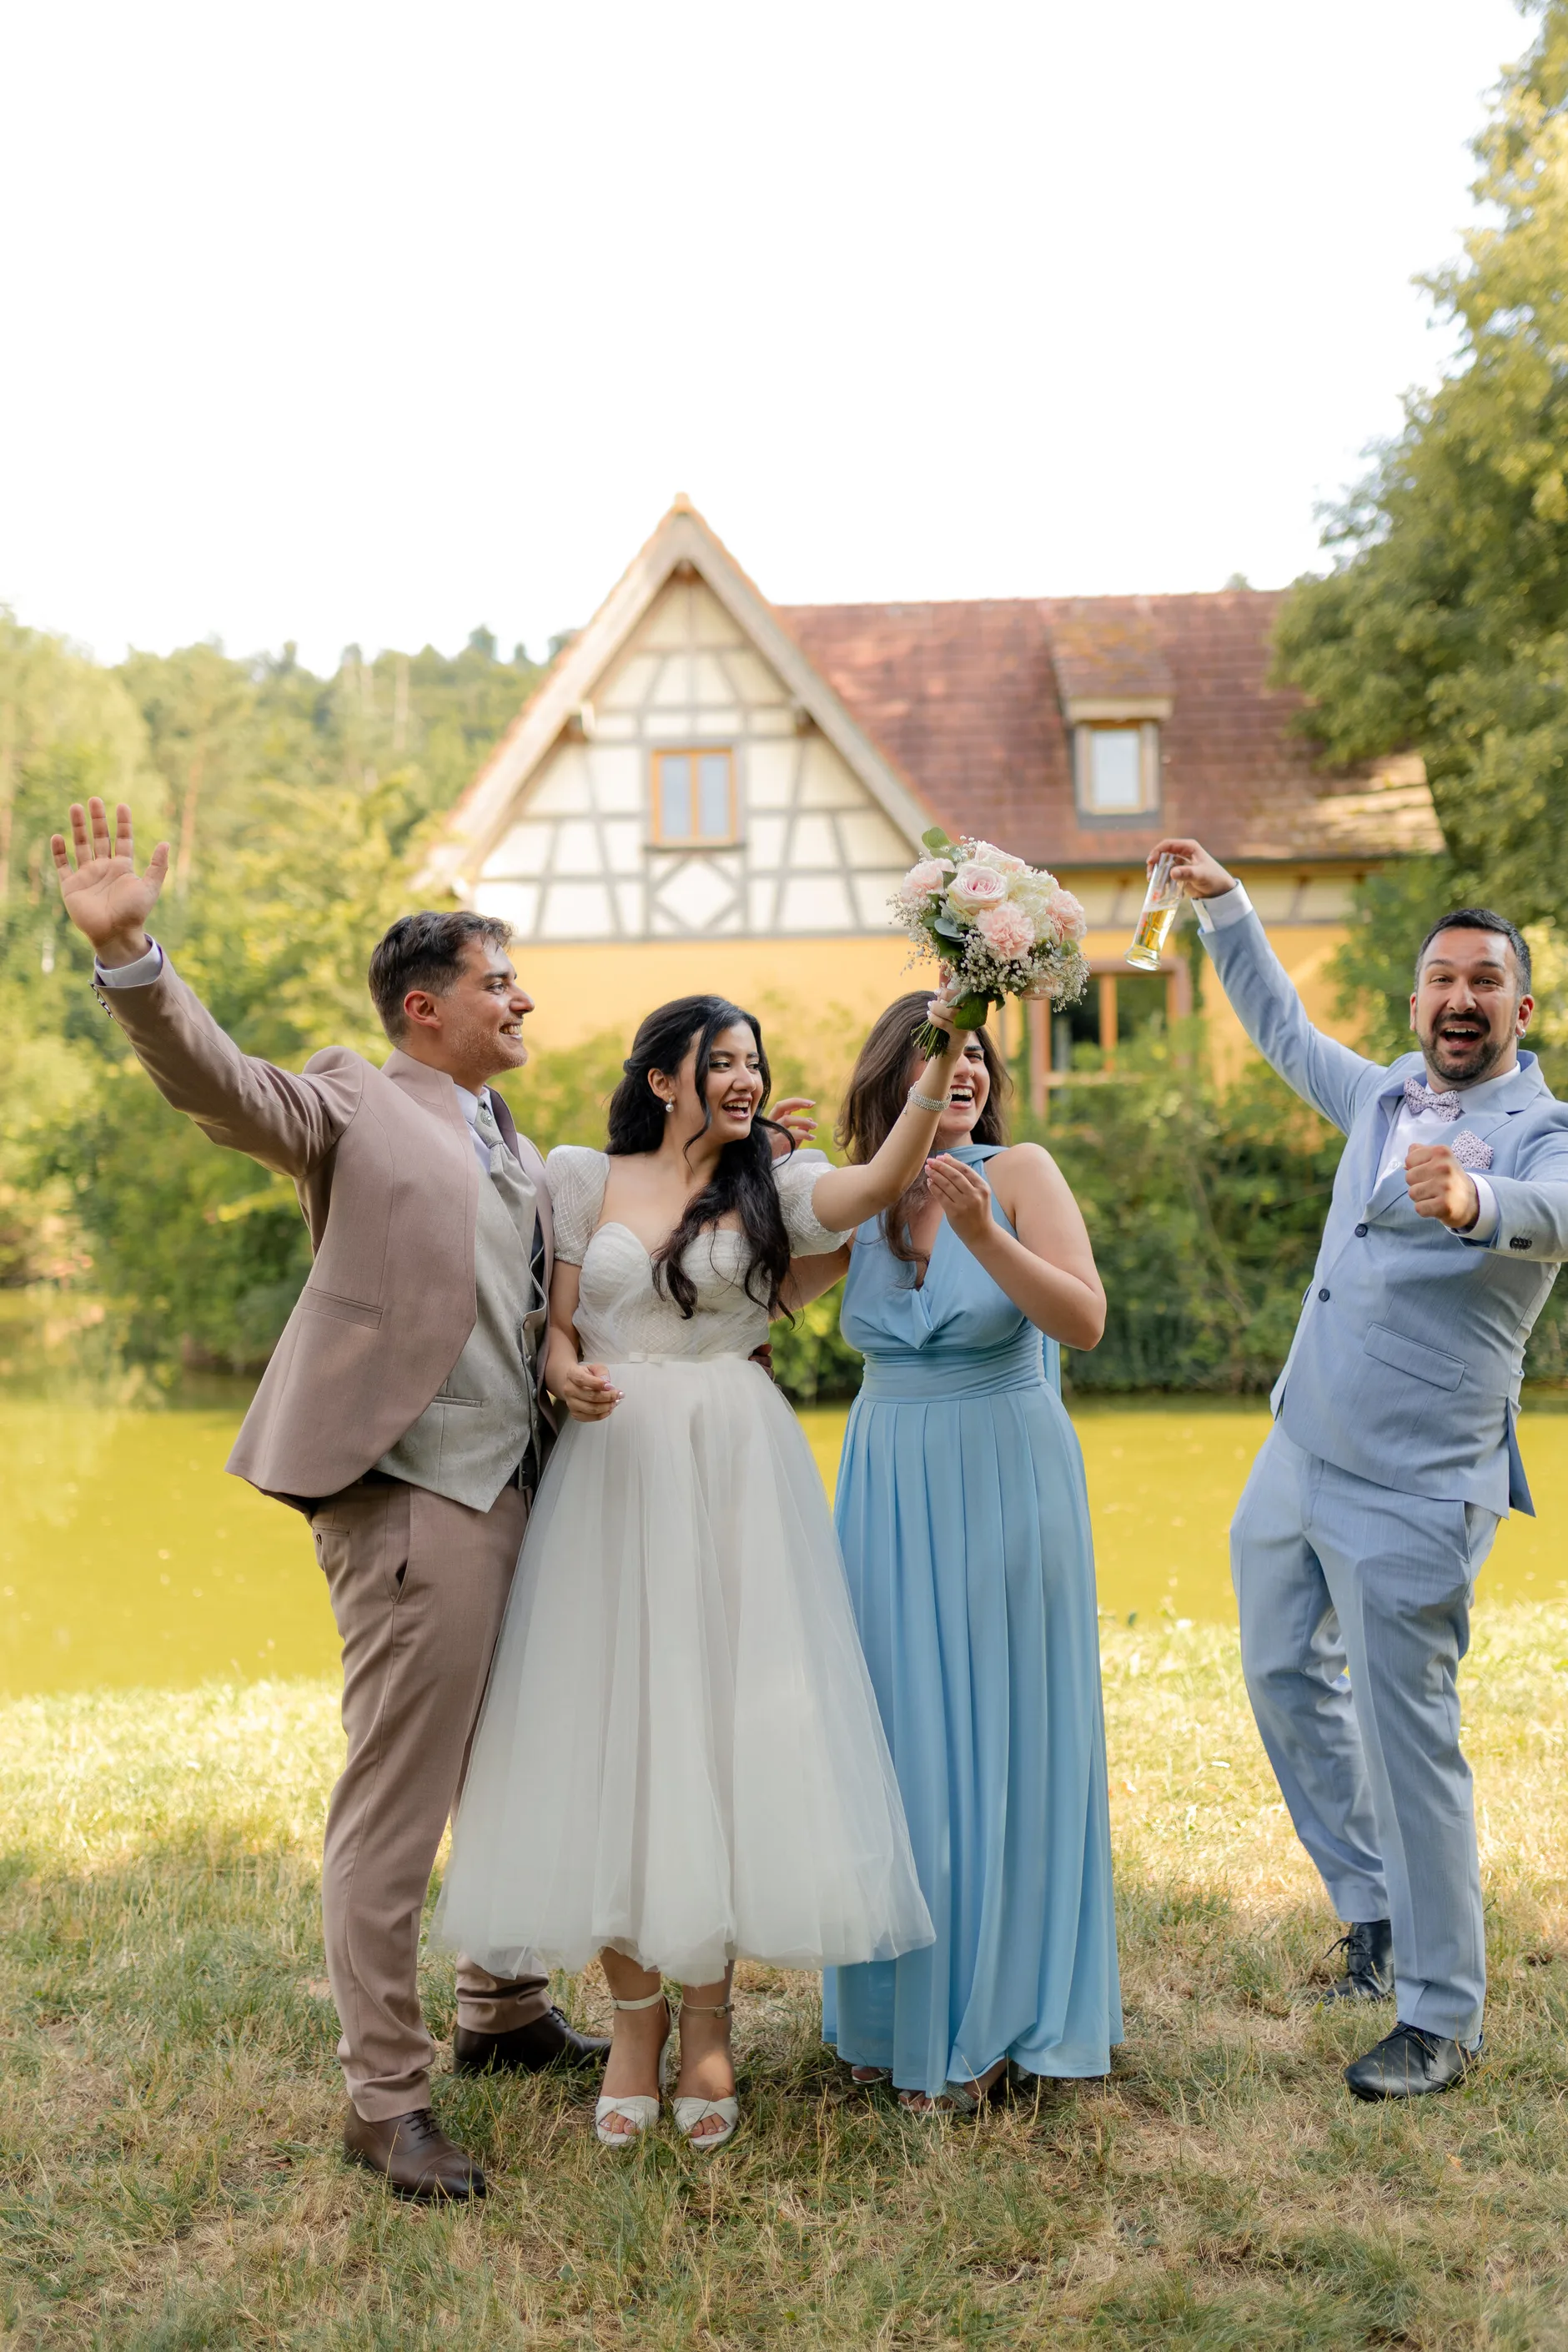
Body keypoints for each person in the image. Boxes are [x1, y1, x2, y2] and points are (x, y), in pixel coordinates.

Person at [51, 797, 611, 2204]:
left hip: (519, 1485)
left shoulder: (515, 1140)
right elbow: (220, 1085)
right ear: (424, 1009)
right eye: (498, 980)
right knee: (397, 1803)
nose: (521, 995)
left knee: (512, 1759)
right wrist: (134, 960)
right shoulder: (355, 1098)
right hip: (412, 1497)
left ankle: (502, 2004)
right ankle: (384, 2100)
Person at [435, 992, 971, 2151]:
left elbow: (876, 1191)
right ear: (665, 1076)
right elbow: (560, 1322)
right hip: (616, 1477)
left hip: (737, 1470)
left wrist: (944, 1057)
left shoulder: (773, 1187)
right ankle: (634, 2028)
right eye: (721, 1061)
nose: (744, 1076)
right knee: (626, 1740)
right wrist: (565, 1370)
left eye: (754, 1062)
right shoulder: (583, 1175)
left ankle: (713, 2024)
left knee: (729, 1735)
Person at [1153, 835, 1568, 2100]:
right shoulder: (1381, 1095)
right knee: (1282, 1674)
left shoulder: (1541, 1129)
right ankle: (1375, 1912)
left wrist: (1475, 1207)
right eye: (1440, 979)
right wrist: (1226, 909)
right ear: (1415, 1000)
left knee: (1412, 1747)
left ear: (1520, 1007)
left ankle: (1442, 2017)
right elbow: (1282, 1031)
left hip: (1415, 1486)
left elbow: (1559, 1209)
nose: (1458, 1000)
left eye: (1482, 982)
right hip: (1299, 1449)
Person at [801, 993, 1121, 2111]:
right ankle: (895, 2014)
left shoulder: (1020, 1169)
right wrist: (766, 1183)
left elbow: (1083, 1321)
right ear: (897, 1075)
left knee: (1003, 1731)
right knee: (902, 1736)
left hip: (1007, 1472)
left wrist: (987, 1233)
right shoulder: (867, 1198)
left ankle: (1000, 2015)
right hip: (889, 1480)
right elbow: (751, 1302)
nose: (968, 1069)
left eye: (978, 1051)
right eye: (943, 1052)